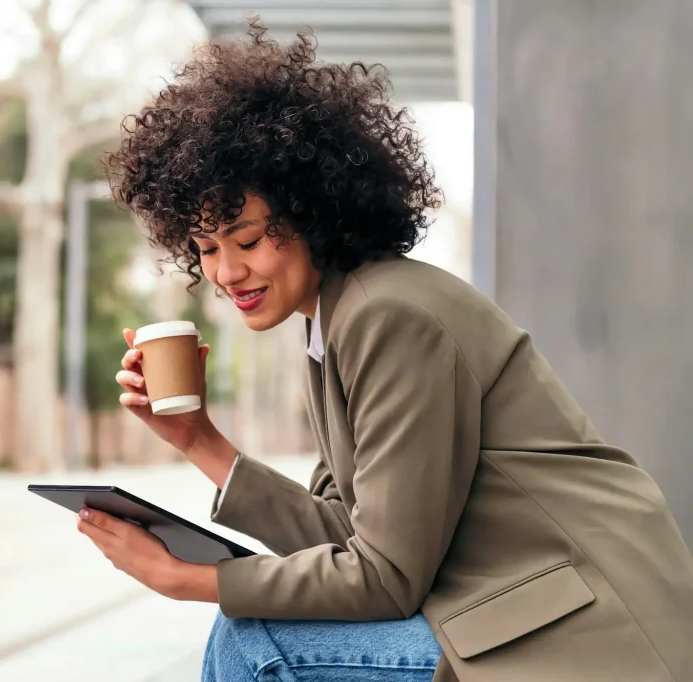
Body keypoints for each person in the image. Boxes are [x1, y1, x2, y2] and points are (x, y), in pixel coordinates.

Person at [75, 22, 693, 682]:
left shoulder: (388, 315)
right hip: (517, 609)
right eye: (206, 248)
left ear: (312, 213)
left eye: (247, 239)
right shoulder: (336, 322)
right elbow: (349, 535)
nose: (226, 273)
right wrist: (198, 440)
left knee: (253, 644)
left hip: (589, 632)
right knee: (253, 630)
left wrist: (191, 579)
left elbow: (386, 578)